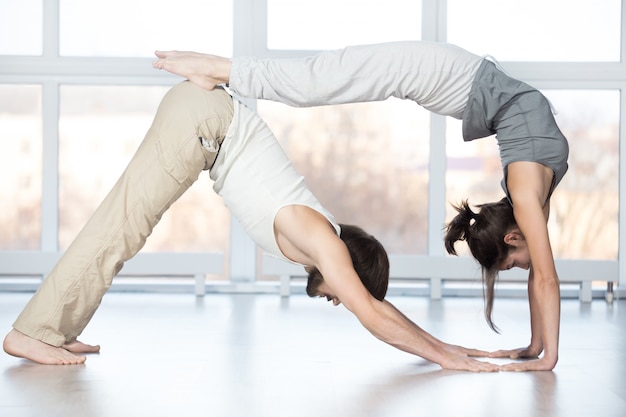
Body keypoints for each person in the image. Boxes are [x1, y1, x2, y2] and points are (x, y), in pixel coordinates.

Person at [2, 80, 499, 372]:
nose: (335, 300)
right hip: (204, 125)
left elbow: (372, 306)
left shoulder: (321, 240)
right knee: (121, 227)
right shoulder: (320, 239)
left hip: (206, 123)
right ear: (349, 267)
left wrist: (443, 346)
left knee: (123, 229)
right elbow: (370, 312)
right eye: (341, 294)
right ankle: (31, 331)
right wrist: (447, 357)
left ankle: (55, 329)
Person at [152, 40, 569, 372]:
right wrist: (548, 358)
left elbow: (542, 278)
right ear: (513, 236)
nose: (525, 267)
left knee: (320, 81)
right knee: (315, 83)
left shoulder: (526, 197)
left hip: (450, 74)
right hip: (444, 73)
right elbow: (547, 279)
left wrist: (536, 346)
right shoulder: (524, 192)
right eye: (514, 262)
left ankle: (219, 67)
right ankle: (215, 67)